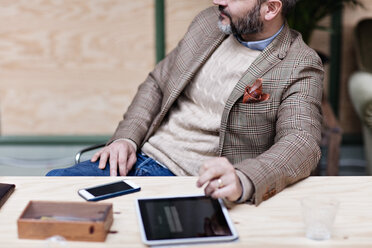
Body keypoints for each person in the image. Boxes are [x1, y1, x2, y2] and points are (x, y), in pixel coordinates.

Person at [47, 0, 323, 206]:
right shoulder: (208, 23)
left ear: (270, 9)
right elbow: (157, 82)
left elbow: (302, 141)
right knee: (49, 190)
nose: (218, 1)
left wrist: (243, 178)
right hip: (136, 159)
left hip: (190, 184)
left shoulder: (298, 63)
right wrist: (127, 139)